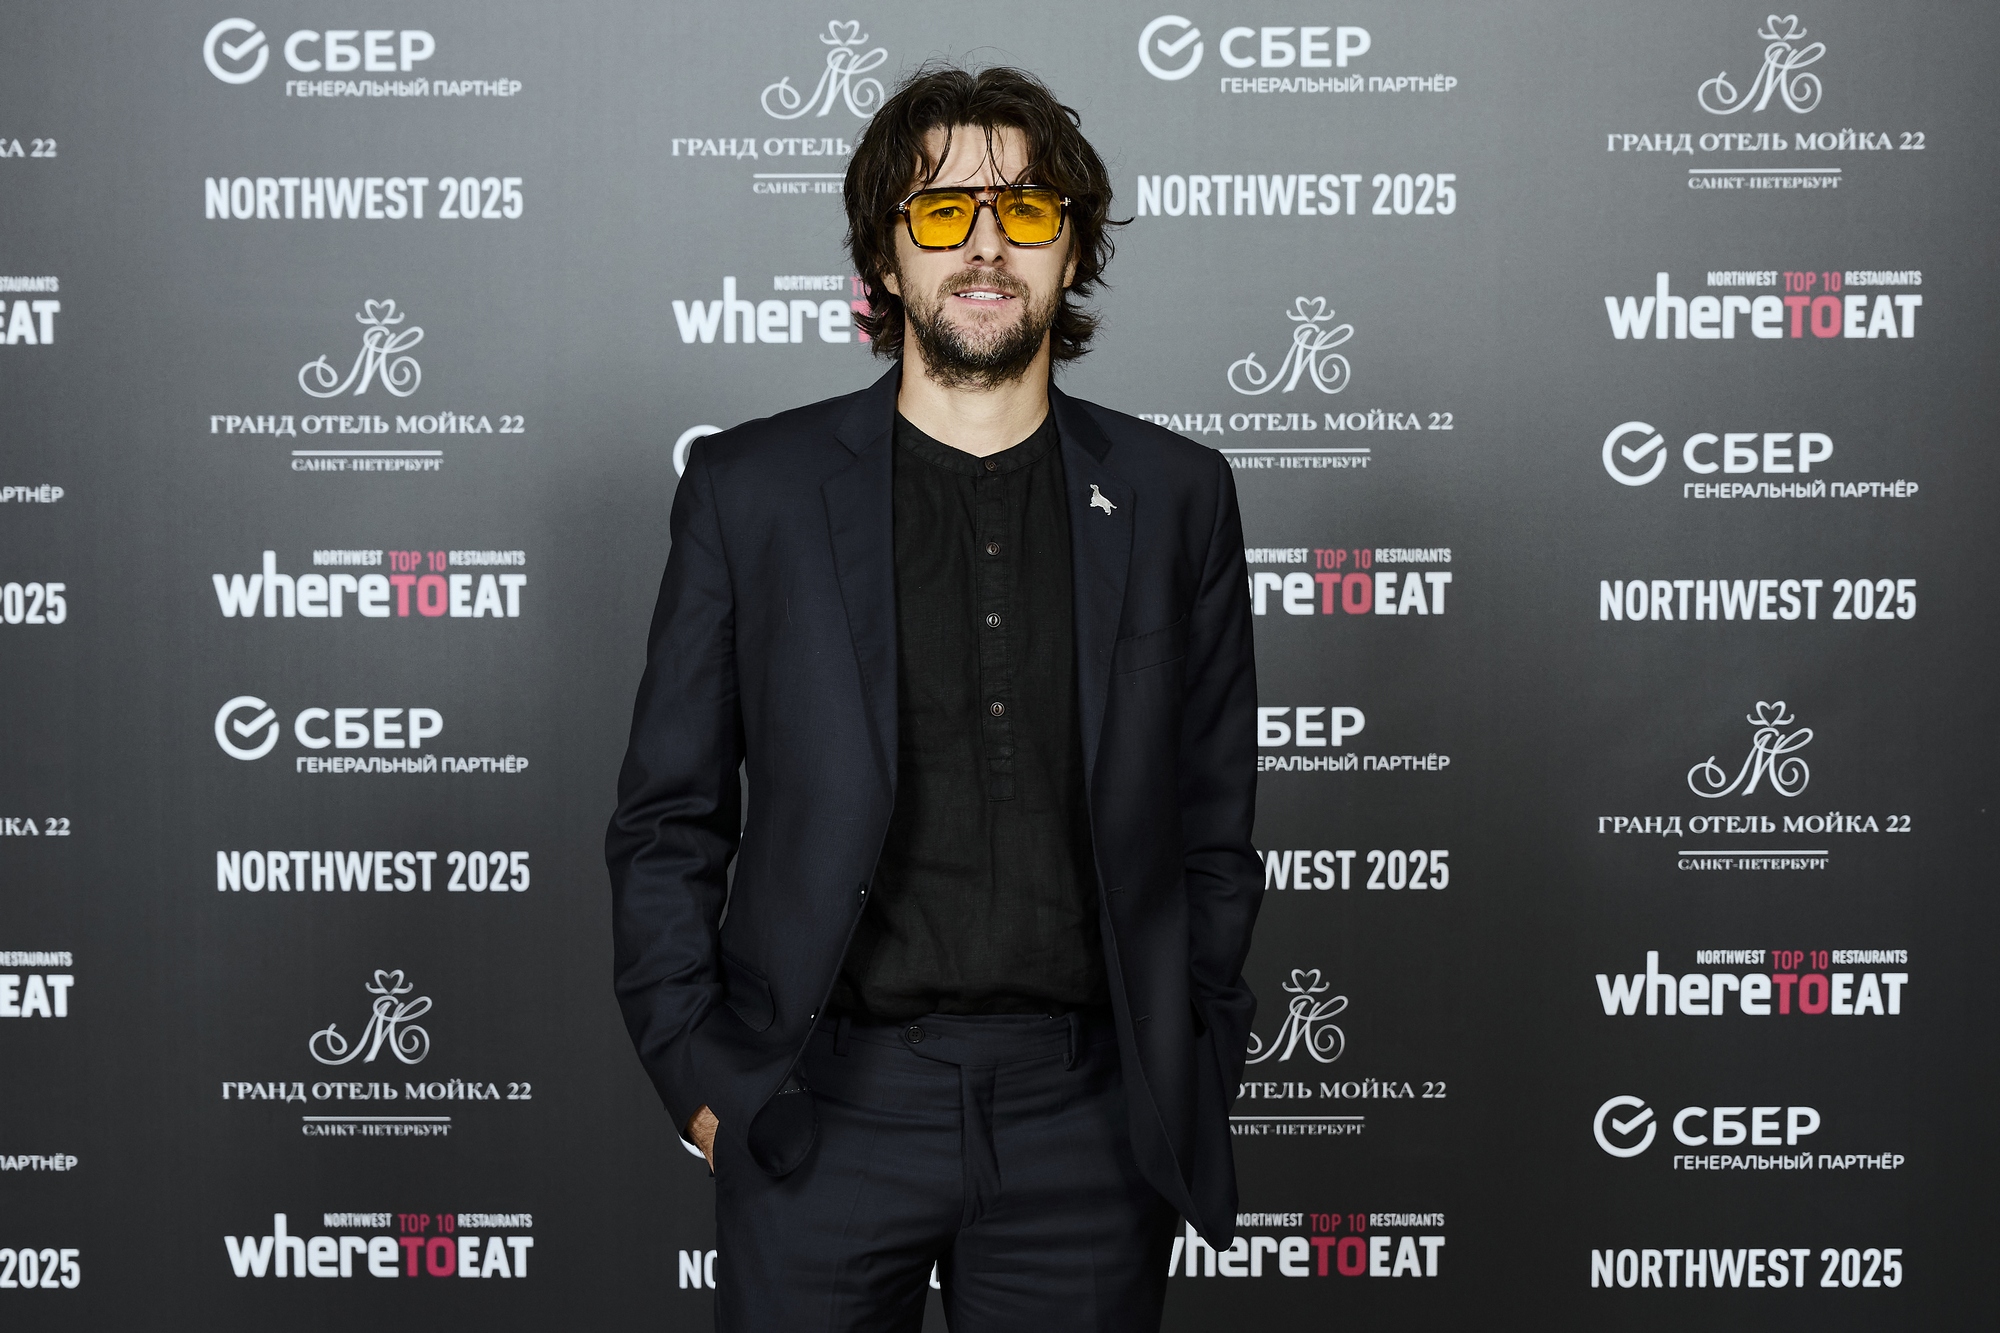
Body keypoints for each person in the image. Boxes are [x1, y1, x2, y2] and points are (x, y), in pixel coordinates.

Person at [608, 64, 1260, 1332]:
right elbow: (665, 818)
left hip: (1087, 1122)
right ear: (883, 256)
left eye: (1026, 211)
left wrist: (1192, 1052)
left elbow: (1211, 823)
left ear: (1071, 251)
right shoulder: (752, 492)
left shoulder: (1177, 495)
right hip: (819, 1108)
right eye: (942, 211)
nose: (984, 246)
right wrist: (702, 1078)